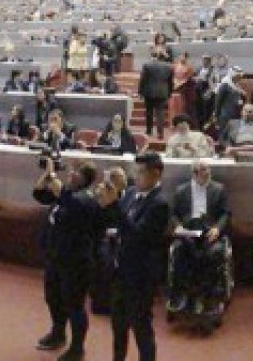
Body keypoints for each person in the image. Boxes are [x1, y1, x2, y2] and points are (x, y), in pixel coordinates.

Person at [95, 153, 171, 361]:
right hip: (120, 270)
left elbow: (139, 236)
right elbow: (117, 222)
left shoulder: (160, 204)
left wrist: (113, 206)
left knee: (141, 328)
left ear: (156, 174)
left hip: (140, 276)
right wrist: (104, 202)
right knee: (118, 325)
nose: (135, 177)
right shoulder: (129, 193)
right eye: (134, 172)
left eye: (140, 172)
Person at [33, 159, 101, 361]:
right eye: (71, 170)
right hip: (55, 257)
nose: (70, 174)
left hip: (76, 262)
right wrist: (46, 176)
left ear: (86, 179)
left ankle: (77, 347)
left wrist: (52, 173)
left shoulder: (85, 198)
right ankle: (57, 333)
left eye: (76, 172)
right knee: (53, 298)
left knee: (74, 305)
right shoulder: (67, 194)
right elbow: (38, 193)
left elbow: (64, 196)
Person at [167, 159, 230, 312]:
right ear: (194, 174)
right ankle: (182, 295)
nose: (207, 172)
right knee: (180, 251)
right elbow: (173, 214)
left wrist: (217, 229)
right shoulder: (181, 191)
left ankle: (209, 295)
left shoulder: (219, 189)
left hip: (209, 232)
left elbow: (225, 214)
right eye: (203, 170)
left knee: (213, 254)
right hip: (188, 232)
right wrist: (179, 227)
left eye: (208, 169)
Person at [138, 50, 173, 140]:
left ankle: (149, 130)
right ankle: (160, 133)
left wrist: (140, 92)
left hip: (149, 92)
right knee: (160, 113)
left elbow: (142, 80)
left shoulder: (147, 65)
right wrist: (169, 93)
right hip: (162, 92)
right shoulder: (169, 66)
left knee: (149, 112)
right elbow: (170, 82)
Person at [214, 66, 246, 143]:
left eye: (240, 77)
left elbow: (240, 99)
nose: (239, 79)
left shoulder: (237, 86)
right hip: (226, 116)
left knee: (234, 135)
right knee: (224, 135)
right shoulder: (225, 85)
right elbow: (218, 102)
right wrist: (217, 116)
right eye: (237, 77)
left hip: (236, 115)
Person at [171, 52, 196, 126]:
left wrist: (180, 83)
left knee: (183, 107)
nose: (181, 58)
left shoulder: (189, 67)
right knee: (173, 107)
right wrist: (174, 82)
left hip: (184, 89)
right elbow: (171, 75)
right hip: (174, 87)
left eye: (183, 57)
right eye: (180, 56)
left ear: (186, 58)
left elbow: (188, 78)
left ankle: (182, 122)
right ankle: (173, 122)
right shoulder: (174, 66)